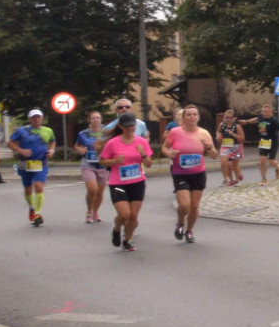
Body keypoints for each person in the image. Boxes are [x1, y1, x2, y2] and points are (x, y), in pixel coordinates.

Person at [162, 104, 218, 243]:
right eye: (189, 114)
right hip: (180, 172)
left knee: (194, 205)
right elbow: (165, 147)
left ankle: (189, 231)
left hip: (198, 173)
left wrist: (209, 147)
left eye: (195, 114)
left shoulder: (204, 133)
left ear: (198, 117)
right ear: (184, 117)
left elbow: (214, 155)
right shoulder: (175, 131)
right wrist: (169, 153)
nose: (192, 117)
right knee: (185, 204)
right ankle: (180, 223)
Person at [99, 112, 153, 252]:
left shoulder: (141, 142)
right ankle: (116, 229)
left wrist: (143, 154)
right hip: (118, 183)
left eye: (132, 126)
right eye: (127, 126)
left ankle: (127, 240)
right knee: (124, 214)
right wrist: (115, 161)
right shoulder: (113, 143)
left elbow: (149, 164)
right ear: (121, 127)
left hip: (137, 182)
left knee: (133, 215)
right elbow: (102, 160)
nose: (130, 129)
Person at [7, 109, 56, 226]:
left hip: (41, 163)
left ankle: (37, 214)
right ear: (29, 119)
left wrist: (52, 150)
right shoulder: (22, 131)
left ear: (42, 118)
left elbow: (52, 141)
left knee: (38, 186)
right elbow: (10, 143)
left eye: (39, 117)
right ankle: (32, 207)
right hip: (25, 163)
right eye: (34, 117)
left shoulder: (48, 130)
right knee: (28, 188)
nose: (36, 119)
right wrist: (20, 150)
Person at [238, 104, 279, 185]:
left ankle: (278, 167)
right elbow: (256, 119)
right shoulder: (261, 116)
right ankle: (264, 179)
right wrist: (247, 122)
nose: (264, 113)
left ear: (270, 112)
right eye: (263, 112)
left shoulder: (274, 120)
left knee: (271, 161)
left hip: (272, 142)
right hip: (263, 141)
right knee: (262, 161)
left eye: (266, 112)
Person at [73, 111, 109, 222]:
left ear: (101, 119)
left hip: (103, 165)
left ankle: (95, 212)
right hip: (88, 164)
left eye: (98, 118)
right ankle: (89, 211)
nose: (96, 120)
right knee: (93, 189)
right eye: (93, 118)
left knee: (100, 192)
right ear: (89, 120)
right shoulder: (83, 133)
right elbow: (76, 145)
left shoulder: (107, 132)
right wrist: (80, 150)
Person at [216, 109, 245, 185]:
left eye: (229, 117)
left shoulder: (237, 126)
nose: (227, 119)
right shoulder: (222, 125)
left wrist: (233, 134)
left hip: (236, 147)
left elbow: (242, 138)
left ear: (234, 118)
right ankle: (226, 179)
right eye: (225, 117)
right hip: (226, 145)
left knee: (235, 165)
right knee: (223, 162)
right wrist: (218, 136)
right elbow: (218, 131)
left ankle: (237, 180)